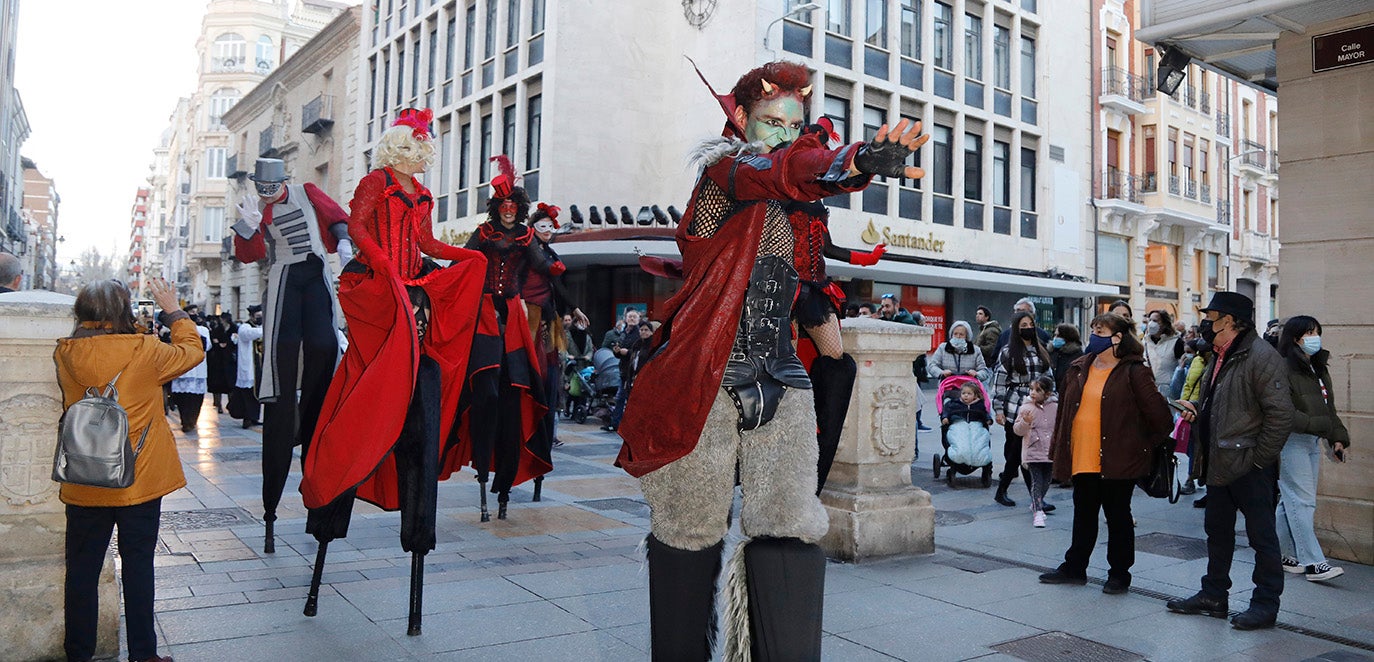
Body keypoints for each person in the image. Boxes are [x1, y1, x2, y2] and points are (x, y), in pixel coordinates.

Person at [617, 60, 927, 660]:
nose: (784, 133)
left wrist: (851, 168)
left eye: (794, 122)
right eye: (769, 121)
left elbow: (805, 246)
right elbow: (781, 168)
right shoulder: (723, 172)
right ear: (738, 118)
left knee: (790, 526)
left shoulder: (796, 208)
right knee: (687, 533)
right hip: (701, 381)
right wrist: (855, 160)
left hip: (780, 377)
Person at [300, 109, 488, 631]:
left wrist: (466, 257)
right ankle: (352, 451)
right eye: (418, 141)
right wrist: (383, 263)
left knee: (423, 406)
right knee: (383, 368)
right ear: (400, 145)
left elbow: (426, 246)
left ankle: (418, 520)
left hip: (408, 287)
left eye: (425, 143)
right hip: (375, 289)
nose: (424, 148)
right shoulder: (375, 182)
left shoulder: (422, 195)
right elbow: (356, 228)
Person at [56, 277, 202, 662]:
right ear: (123, 313)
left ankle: (79, 653)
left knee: (81, 573)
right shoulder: (146, 350)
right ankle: (144, 654)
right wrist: (173, 310)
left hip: (85, 478)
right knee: (139, 567)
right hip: (138, 479)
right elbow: (192, 350)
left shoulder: (66, 354)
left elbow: (103, 349)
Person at [231, 156, 352, 553]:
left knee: (325, 343)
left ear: (283, 181)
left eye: (271, 187)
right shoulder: (259, 210)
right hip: (284, 276)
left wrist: (347, 245)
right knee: (282, 351)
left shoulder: (306, 192)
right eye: (262, 189)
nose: (267, 194)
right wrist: (247, 227)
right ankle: (279, 392)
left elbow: (336, 218)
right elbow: (249, 255)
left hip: (315, 270)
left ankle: (320, 396)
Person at [1168, 291, 1293, 631]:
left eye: (1212, 317)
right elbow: (1223, 403)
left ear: (1231, 320)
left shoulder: (1260, 356)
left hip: (1249, 465)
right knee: (1217, 532)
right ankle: (1214, 595)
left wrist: (1258, 460)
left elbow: (1281, 415)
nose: (1206, 323)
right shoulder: (1219, 355)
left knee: (1262, 538)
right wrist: (1198, 412)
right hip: (1219, 461)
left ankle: (1265, 604)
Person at [1039, 313, 1172, 592]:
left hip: (1118, 459)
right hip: (1083, 454)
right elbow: (1065, 412)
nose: (1094, 334)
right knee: (1083, 513)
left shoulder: (1134, 370)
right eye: (1093, 329)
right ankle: (1075, 567)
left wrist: (1138, 445)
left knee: (1118, 516)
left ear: (1117, 337)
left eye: (1100, 330)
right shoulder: (1080, 366)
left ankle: (1119, 574)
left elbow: (1161, 417)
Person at [461, 154, 559, 520]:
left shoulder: (527, 236)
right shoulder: (482, 234)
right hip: (485, 315)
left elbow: (541, 266)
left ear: (519, 208)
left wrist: (556, 269)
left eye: (512, 205)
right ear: (495, 208)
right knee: (484, 391)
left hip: (515, 318)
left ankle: (504, 480)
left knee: (514, 394)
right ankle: (483, 464)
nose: (507, 211)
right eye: (502, 205)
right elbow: (463, 259)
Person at [1275, 315, 1349, 582]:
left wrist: (1337, 438)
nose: (1314, 337)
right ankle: (1314, 563)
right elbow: (1283, 411)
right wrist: (1317, 425)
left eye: (1317, 331)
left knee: (1291, 501)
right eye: (1308, 332)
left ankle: (1284, 554)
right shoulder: (1283, 368)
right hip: (1291, 440)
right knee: (1302, 502)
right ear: (1294, 338)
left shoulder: (1318, 367)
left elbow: (1330, 409)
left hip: (1311, 441)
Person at [990, 311, 1054, 508]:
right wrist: (998, 409)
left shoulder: (1041, 350)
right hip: (1015, 406)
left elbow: (1049, 378)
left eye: (1030, 324)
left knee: (1028, 452)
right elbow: (999, 384)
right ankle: (1031, 498)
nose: (1028, 327)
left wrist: (1051, 399)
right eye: (1023, 325)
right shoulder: (1008, 352)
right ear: (1016, 328)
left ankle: (1029, 497)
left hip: (1038, 407)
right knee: (1017, 453)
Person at [1013, 375, 1059, 528]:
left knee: (1046, 481)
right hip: (1033, 451)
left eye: (1037, 390)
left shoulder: (1055, 407)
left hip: (1050, 450)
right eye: (1031, 389)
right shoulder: (1026, 408)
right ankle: (1038, 512)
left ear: (1047, 393)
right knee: (1037, 482)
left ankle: (1036, 503)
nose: (1033, 392)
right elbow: (1017, 430)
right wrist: (1025, 422)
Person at [168, 313, 211, 433]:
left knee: (193, 399)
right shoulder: (177, 329)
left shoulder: (202, 330)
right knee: (185, 398)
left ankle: (190, 421)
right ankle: (187, 421)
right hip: (184, 369)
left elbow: (207, 346)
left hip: (195, 369)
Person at [232, 306, 264, 428]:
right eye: (258, 317)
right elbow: (248, 335)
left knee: (257, 395)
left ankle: (254, 417)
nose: (260, 319)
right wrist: (265, 328)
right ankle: (247, 418)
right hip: (249, 368)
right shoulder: (245, 327)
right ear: (251, 316)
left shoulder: (259, 328)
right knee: (248, 395)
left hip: (259, 366)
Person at [1143, 309, 1184, 396]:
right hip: (1147, 389)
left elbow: (1182, 368)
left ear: (1165, 324)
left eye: (1155, 321)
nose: (1151, 323)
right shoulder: (1145, 342)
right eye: (1150, 320)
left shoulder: (1176, 342)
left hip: (1167, 392)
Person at [206, 312, 236, 413]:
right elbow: (213, 341)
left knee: (230, 383)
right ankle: (218, 404)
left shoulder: (234, 328)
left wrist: (226, 344)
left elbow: (235, 341)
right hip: (218, 360)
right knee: (217, 383)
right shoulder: (217, 329)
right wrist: (219, 344)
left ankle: (231, 404)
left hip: (229, 359)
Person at [1048, 323, 1084, 396]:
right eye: (1055, 335)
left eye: (1058, 336)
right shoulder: (1052, 352)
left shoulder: (1077, 355)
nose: (1055, 338)